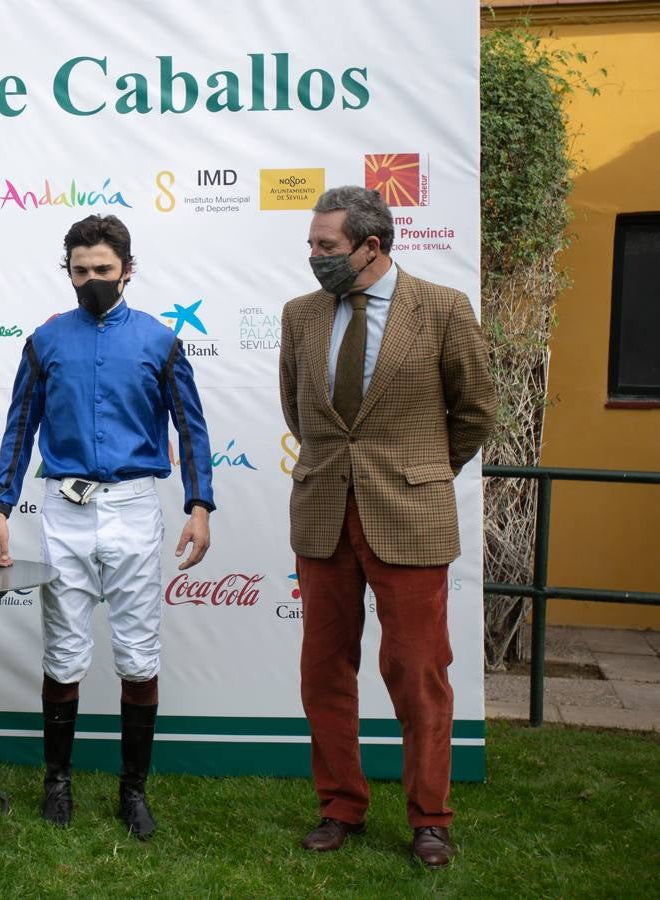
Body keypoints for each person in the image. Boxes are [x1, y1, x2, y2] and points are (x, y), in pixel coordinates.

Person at [278, 186, 495, 868]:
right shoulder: (299, 315)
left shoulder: (440, 309)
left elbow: (475, 410)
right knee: (323, 670)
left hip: (410, 517)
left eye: (326, 247)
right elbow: (298, 410)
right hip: (322, 516)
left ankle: (429, 817)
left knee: (416, 671)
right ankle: (339, 806)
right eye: (312, 244)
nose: (313, 257)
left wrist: (419, 470)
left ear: (371, 247)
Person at [0, 214, 214, 840]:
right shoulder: (46, 340)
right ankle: (57, 783)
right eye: (80, 271)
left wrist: (200, 505)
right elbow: (19, 425)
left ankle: (132, 792)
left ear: (127, 270)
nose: (92, 280)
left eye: (103, 271)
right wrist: (1, 507)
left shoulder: (160, 341)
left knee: (139, 658)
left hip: (136, 506)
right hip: (64, 509)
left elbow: (190, 427)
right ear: (68, 272)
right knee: (63, 654)